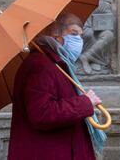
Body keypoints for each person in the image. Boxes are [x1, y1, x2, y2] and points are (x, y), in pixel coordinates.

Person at [7, 13, 103, 160]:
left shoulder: (57, 64)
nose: (79, 40)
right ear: (56, 34)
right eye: (73, 33)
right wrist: (84, 102)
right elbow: (42, 113)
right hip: (49, 152)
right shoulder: (40, 65)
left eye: (80, 35)